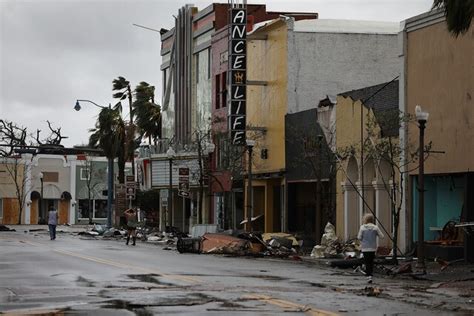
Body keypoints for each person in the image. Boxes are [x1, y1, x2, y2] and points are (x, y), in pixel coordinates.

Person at [358, 213, 384, 283]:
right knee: (371, 262)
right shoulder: (375, 227)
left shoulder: (362, 228)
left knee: (367, 262)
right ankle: (370, 275)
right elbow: (382, 236)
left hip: (365, 248)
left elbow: (359, 237)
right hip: (373, 248)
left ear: (365, 219)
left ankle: (368, 276)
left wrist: (364, 239)